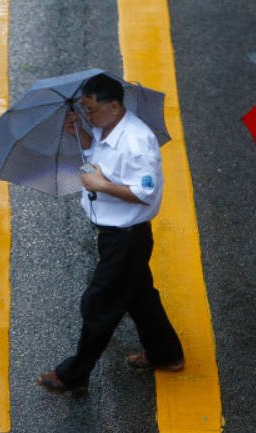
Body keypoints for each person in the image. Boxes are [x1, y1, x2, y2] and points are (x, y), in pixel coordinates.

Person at [36, 73, 184, 394]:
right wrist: (83, 138)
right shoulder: (105, 129)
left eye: (91, 109)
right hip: (114, 236)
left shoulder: (137, 142)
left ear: (114, 105)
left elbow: (144, 192)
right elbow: (101, 162)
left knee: (98, 306)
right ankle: (166, 353)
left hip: (126, 239)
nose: (88, 116)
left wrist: (102, 185)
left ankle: (74, 374)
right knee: (139, 297)